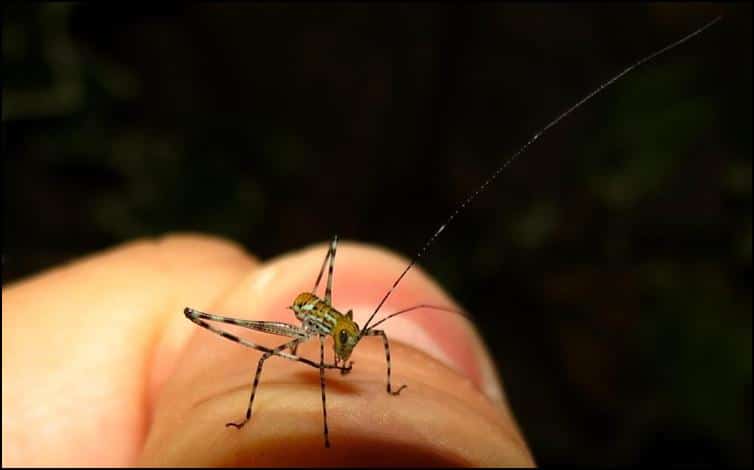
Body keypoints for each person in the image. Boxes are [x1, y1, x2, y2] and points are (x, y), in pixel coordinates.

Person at [2, 234, 535, 466]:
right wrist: (324, 417)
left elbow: (365, 342)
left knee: (353, 290)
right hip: (299, 319)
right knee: (260, 353)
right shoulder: (310, 334)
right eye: (343, 342)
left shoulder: (351, 328)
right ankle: (261, 414)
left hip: (320, 313)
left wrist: (384, 380)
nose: (347, 351)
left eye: (346, 338)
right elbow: (282, 356)